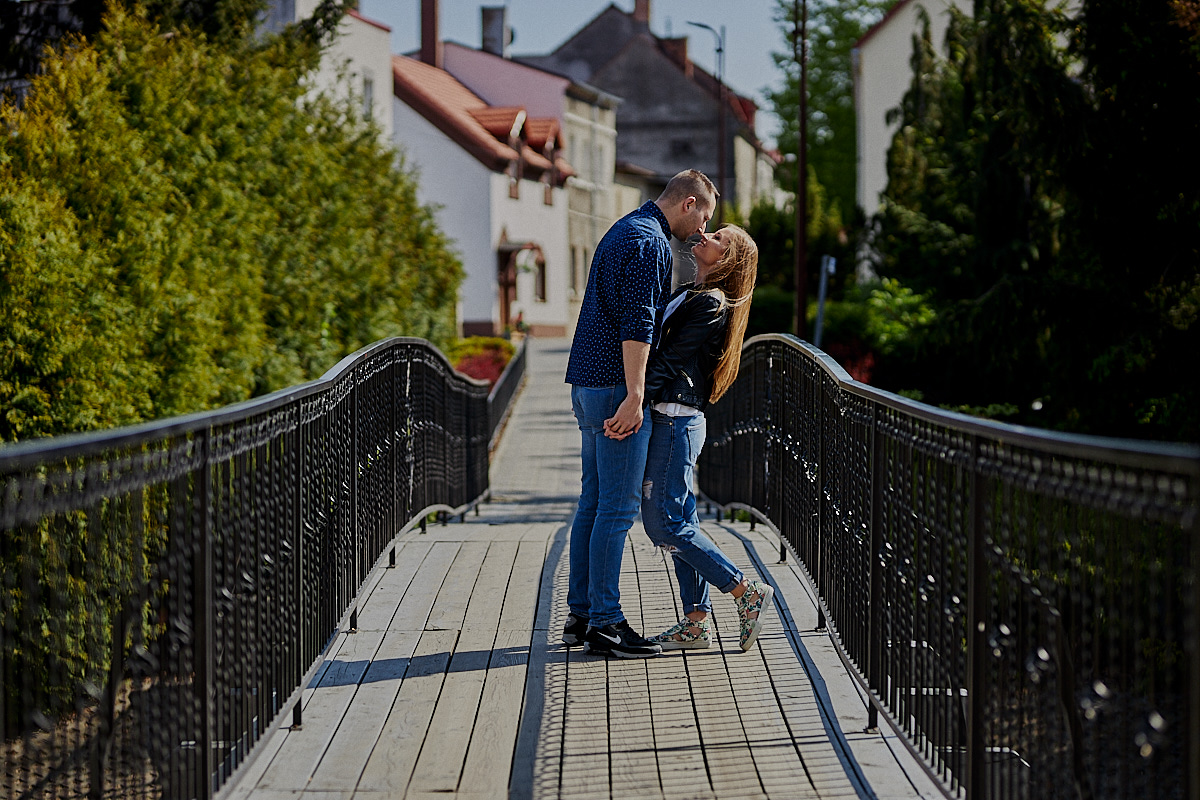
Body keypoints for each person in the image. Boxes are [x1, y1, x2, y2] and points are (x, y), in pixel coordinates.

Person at [563, 170, 717, 659]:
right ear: (688, 203)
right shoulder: (652, 243)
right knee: (618, 509)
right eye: (705, 218)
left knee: (593, 502)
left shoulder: (623, 228)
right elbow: (638, 324)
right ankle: (606, 622)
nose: (701, 231)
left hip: (586, 382)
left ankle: (582, 614)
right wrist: (634, 395)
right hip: (615, 387)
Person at [608, 224, 774, 652]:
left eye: (719, 236)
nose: (706, 234)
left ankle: (743, 591)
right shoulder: (694, 293)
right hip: (675, 418)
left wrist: (635, 403)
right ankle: (697, 621)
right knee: (681, 519)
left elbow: (669, 360)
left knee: (663, 523)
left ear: (729, 258)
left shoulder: (712, 304)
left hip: (673, 419)